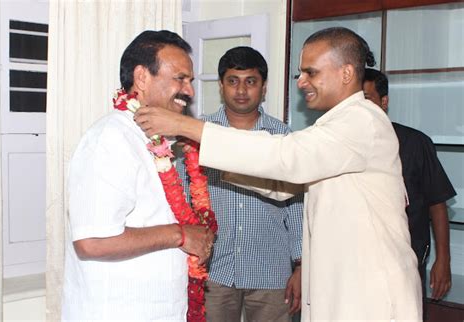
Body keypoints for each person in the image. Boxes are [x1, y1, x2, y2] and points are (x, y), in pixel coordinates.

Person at [134, 27, 423, 321]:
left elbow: (289, 159)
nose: (301, 82)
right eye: (301, 73)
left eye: (311, 72)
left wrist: (184, 126)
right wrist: (209, 158)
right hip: (343, 283)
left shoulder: (361, 121)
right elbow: (284, 183)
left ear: (346, 73)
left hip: (369, 292)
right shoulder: (335, 125)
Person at [61, 30, 215, 321]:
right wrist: (180, 235)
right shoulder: (110, 139)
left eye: (191, 81)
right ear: (142, 77)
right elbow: (92, 241)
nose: (190, 91)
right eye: (180, 78)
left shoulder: (157, 141)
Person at [177, 46, 303, 322]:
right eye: (233, 81)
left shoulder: (282, 137)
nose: (242, 90)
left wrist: (301, 264)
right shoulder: (199, 134)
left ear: (264, 87)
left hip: (271, 271)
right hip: (213, 270)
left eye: (251, 81)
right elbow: (182, 198)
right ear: (221, 86)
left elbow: (296, 207)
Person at [363, 68, 456, 303]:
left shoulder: (415, 143)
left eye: (366, 100)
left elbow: (437, 202)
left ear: (384, 102)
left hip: (406, 259)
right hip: (359, 260)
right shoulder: (342, 145)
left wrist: (443, 258)